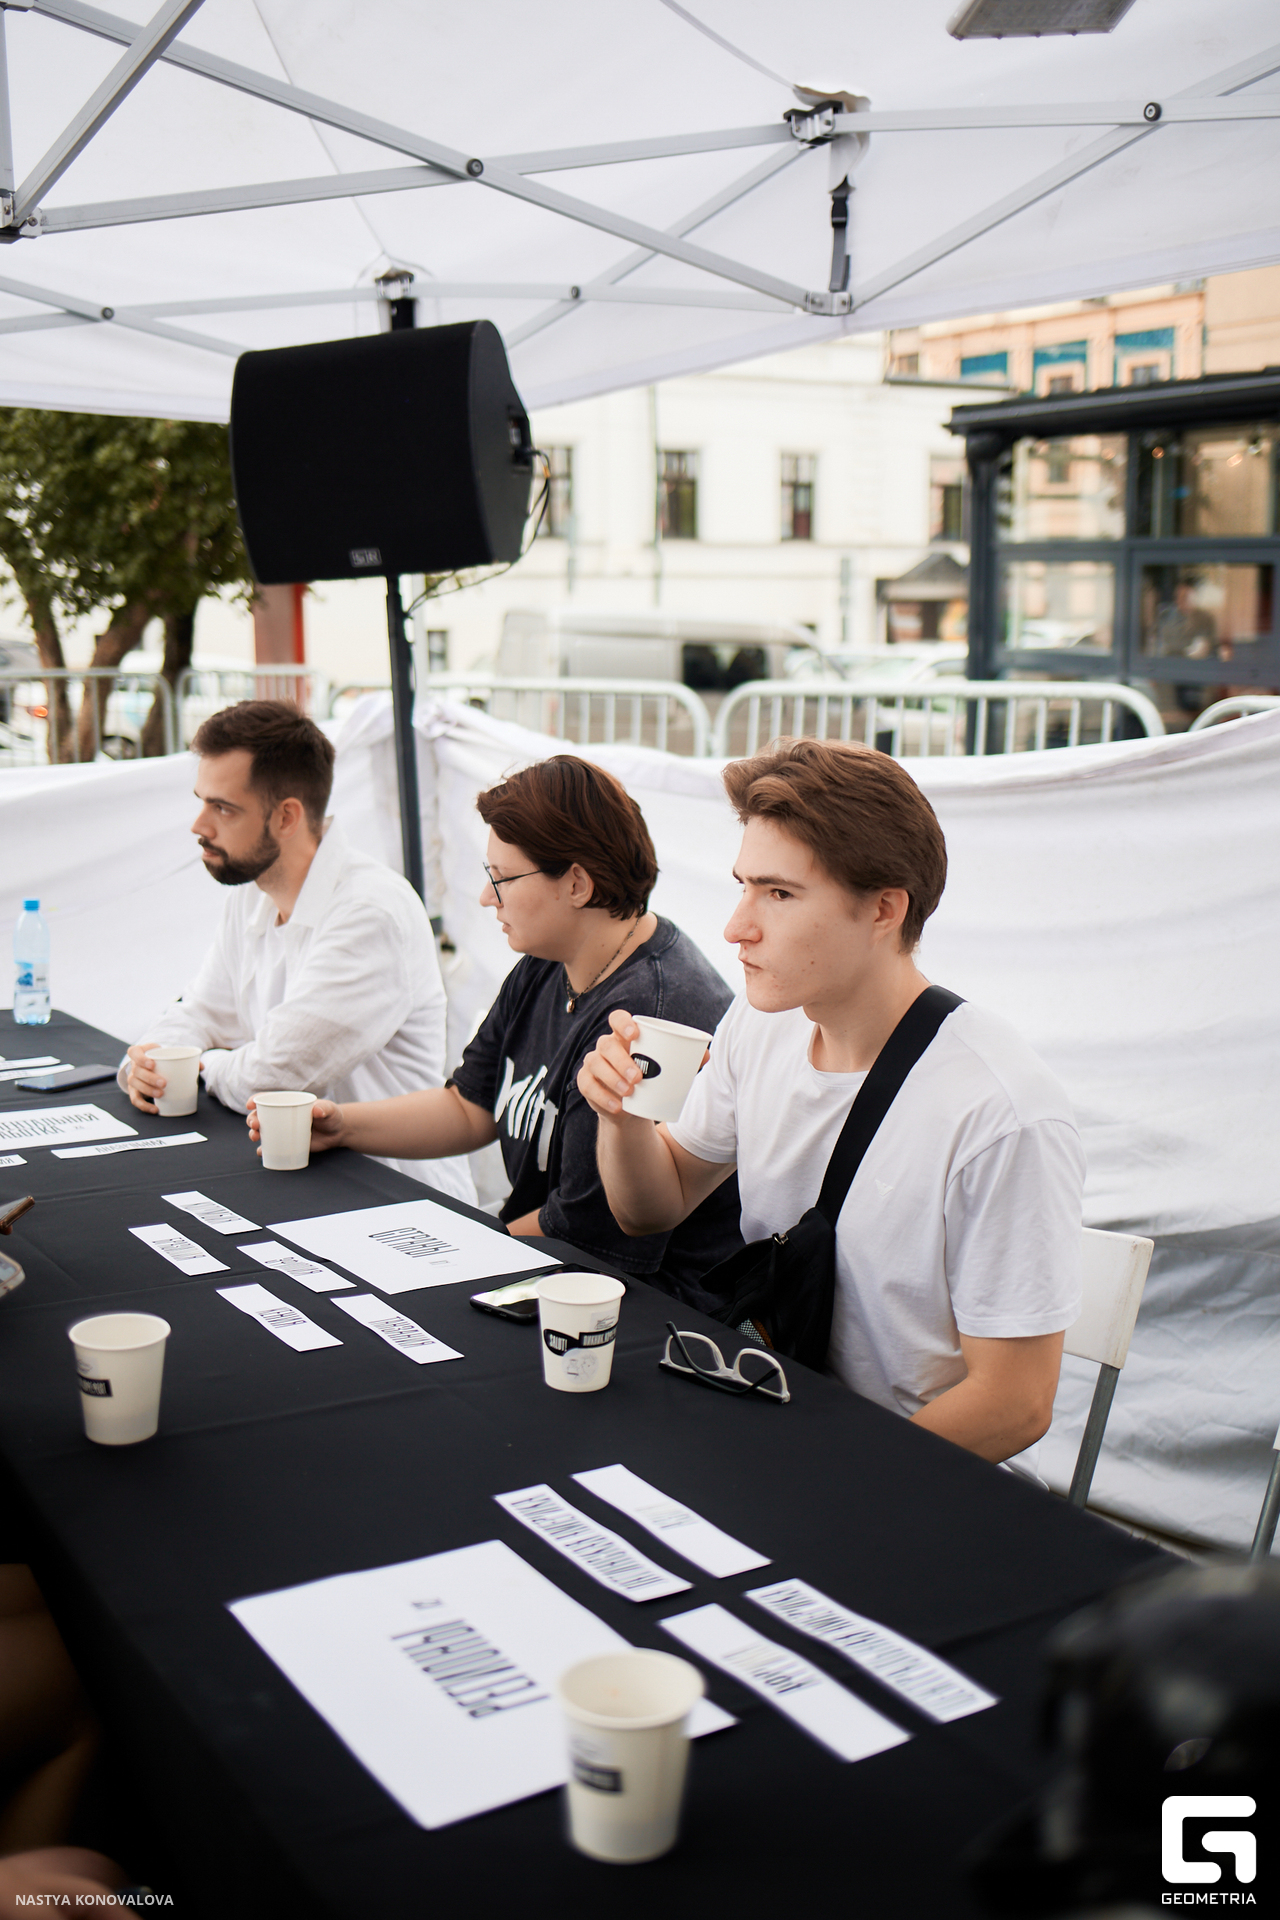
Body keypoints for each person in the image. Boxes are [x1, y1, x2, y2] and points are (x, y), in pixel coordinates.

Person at [578, 738, 1084, 1465]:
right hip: (770, 1418)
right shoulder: (762, 1021)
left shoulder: (999, 1111)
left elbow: (1015, 1402)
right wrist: (622, 1117)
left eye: (779, 894)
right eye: (743, 885)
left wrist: (823, 1479)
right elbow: (653, 1207)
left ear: (883, 909)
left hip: (905, 1475)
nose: (736, 926)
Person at [263, 756, 743, 1299]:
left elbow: (586, 1233)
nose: (486, 896)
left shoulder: (654, 1011)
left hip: (642, 1302)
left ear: (577, 884)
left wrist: (444, 1255)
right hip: (553, 1267)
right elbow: (471, 1106)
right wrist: (342, 1126)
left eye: (502, 877)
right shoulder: (550, 960)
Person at [121, 700, 473, 1203]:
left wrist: (198, 1066)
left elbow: (271, 1077)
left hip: (396, 1199)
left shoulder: (370, 913)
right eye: (201, 802)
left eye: (223, 808)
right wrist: (151, 1061)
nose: (199, 825)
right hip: (303, 1182)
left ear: (287, 816)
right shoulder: (253, 893)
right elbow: (198, 1013)